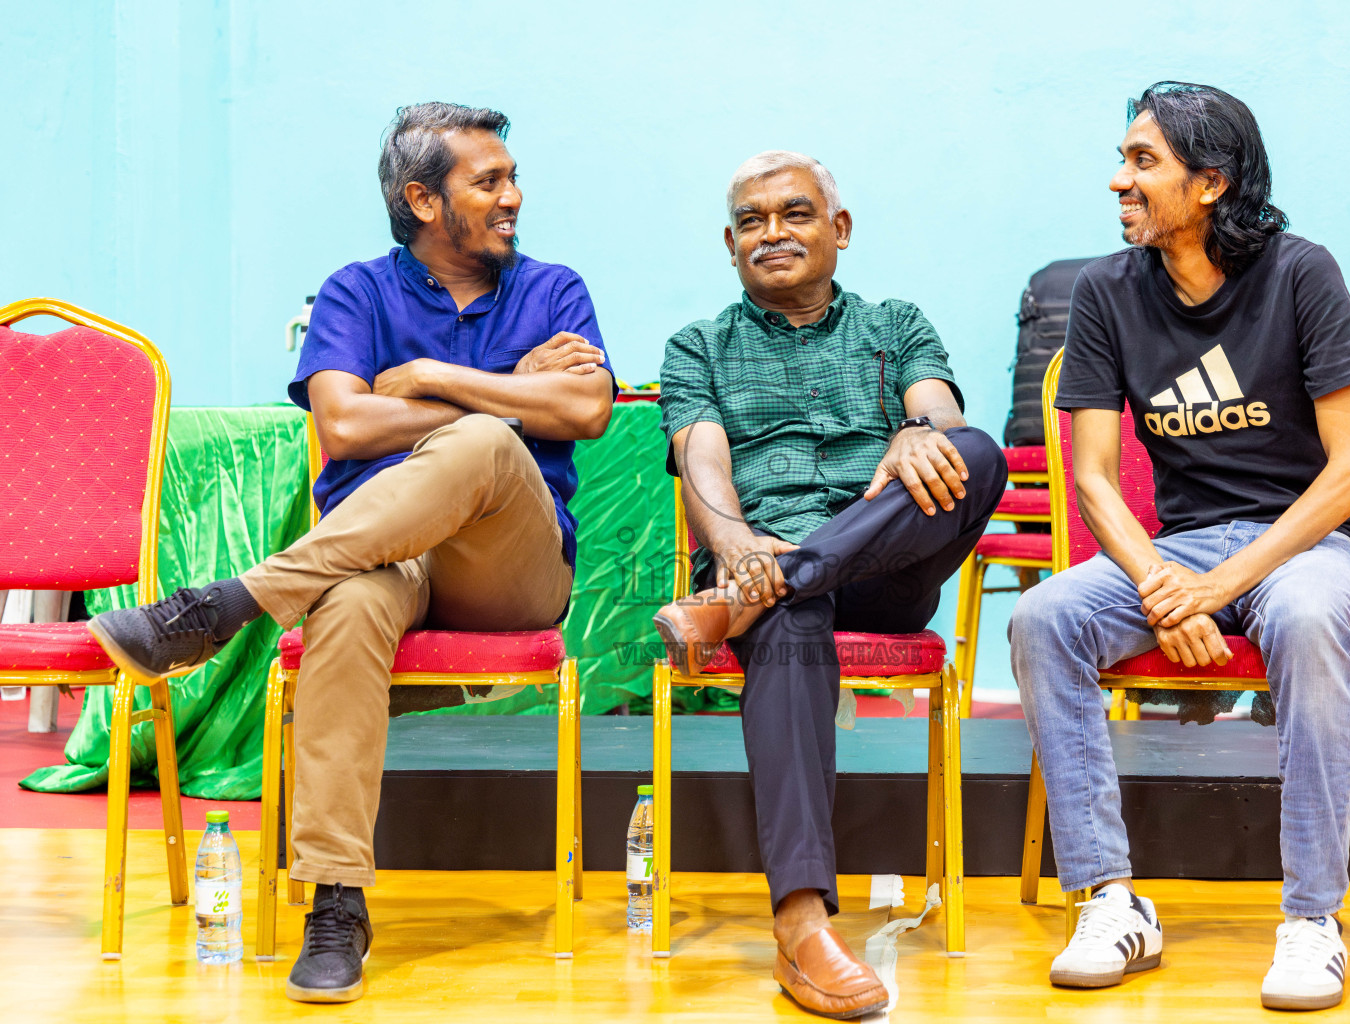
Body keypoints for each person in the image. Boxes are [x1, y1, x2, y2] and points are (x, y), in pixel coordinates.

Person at [88, 102, 614, 1003]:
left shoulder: (553, 289)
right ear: (421, 199)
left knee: (488, 452)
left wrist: (440, 380)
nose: (513, 197)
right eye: (489, 182)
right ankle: (337, 901)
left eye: (512, 177)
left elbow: (587, 411)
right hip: (382, 560)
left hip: (510, 567)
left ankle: (229, 605)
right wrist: (505, 394)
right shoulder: (355, 292)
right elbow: (343, 421)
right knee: (351, 600)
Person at [1010, 82, 1350, 1012]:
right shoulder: (1105, 290)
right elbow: (1094, 474)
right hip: (1178, 549)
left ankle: (1310, 920)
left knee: (1300, 619)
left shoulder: (1302, 273)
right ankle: (1109, 900)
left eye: (1144, 163)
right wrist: (1162, 580)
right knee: (1045, 615)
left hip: (1314, 543)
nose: (1118, 181)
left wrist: (1217, 587)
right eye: (1124, 159)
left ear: (1210, 182)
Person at [652, 150, 1006, 1019]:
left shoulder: (896, 323)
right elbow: (704, 470)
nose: (772, 232)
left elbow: (941, 412)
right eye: (752, 221)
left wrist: (918, 431)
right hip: (759, 559)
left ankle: (774, 585)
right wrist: (740, 555)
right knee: (787, 610)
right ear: (730, 244)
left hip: (883, 560)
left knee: (974, 453)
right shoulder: (698, 346)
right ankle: (802, 923)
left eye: (796, 213)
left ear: (838, 230)